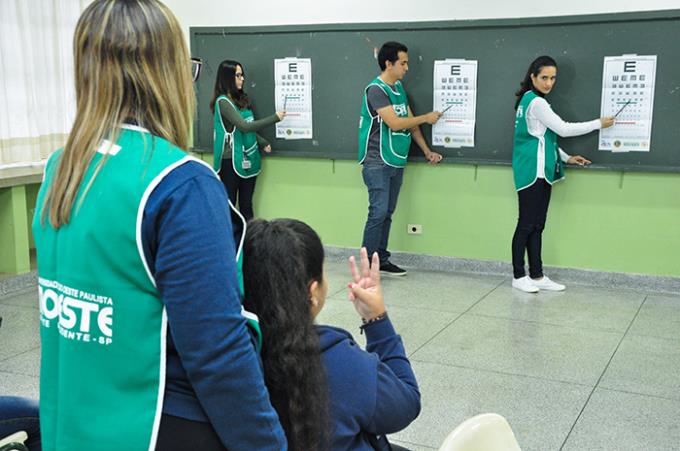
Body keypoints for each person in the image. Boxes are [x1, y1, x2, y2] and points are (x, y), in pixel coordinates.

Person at [31, 1, 286, 449]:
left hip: (70, 427)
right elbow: (219, 355)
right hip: (147, 428)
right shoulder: (180, 185)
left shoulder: (62, 168)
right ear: (167, 72)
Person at [242, 218, 421, 450]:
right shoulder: (341, 361)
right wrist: (377, 319)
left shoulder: (226, 357)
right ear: (312, 291)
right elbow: (406, 404)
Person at [511, 55, 615, 293]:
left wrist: (567, 158)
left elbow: (544, 138)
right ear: (533, 77)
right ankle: (518, 276)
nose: (549, 83)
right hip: (531, 171)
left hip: (541, 170)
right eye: (544, 77)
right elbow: (563, 129)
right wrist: (598, 123)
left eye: (553, 78)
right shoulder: (536, 102)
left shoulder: (531, 100)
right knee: (526, 224)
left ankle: (537, 275)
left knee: (537, 225)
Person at [358, 41, 443, 276]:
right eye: (403, 63)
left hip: (396, 160)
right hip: (376, 161)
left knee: (387, 212)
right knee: (377, 212)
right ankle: (366, 268)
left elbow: (411, 123)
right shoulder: (375, 90)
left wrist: (426, 151)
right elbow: (395, 123)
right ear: (388, 63)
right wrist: (426, 117)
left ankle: (381, 259)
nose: (407, 68)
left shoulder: (399, 89)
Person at [211, 59, 285, 239]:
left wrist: (261, 142)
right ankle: (228, 244)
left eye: (242, 75)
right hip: (230, 161)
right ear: (227, 77)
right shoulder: (223, 102)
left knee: (246, 205)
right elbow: (243, 126)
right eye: (238, 75)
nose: (242, 79)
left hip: (248, 157)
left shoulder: (240, 99)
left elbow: (246, 128)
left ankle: (249, 243)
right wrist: (275, 118)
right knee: (229, 206)